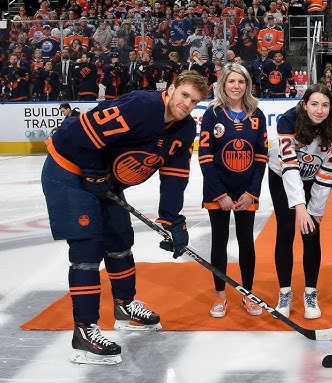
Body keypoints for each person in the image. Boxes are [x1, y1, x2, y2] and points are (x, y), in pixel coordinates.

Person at [41, 71, 210, 365]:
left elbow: (174, 179)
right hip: (68, 168)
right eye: (184, 95)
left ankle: (124, 305)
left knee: (119, 238)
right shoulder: (142, 106)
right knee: (87, 248)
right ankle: (84, 331)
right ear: (171, 89)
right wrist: (93, 171)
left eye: (194, 101)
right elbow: (84, 131)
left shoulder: (183, 131)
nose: (187, 104)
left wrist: (173, 221)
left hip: (104, 178)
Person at [267, 83, 332, 319]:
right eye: (314, 104)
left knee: (311, 233)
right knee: (286, 230)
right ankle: (285, 293)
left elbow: (329, 171)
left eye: (324, 105)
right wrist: (300, 208)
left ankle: (310, 292)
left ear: (331, 106)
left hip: (313, 177)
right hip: (281, 175)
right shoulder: (288, 120)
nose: (319, 110)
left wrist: (316, 209)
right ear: (304, 105)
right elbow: (289, 166)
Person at [198, 63, 268, 318]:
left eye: (241, 82)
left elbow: (261, 158)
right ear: (223, 85)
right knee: (219, 241)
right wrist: (221, 195)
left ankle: (248, 294)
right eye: (232, 82)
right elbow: (205, 157)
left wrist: (251, 192)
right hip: (219, 191)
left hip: (245, 191)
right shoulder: (212, 114)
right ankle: (220, 296)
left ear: (247, 85)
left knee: (247, 241)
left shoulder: (256, 115)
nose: (236, 86)